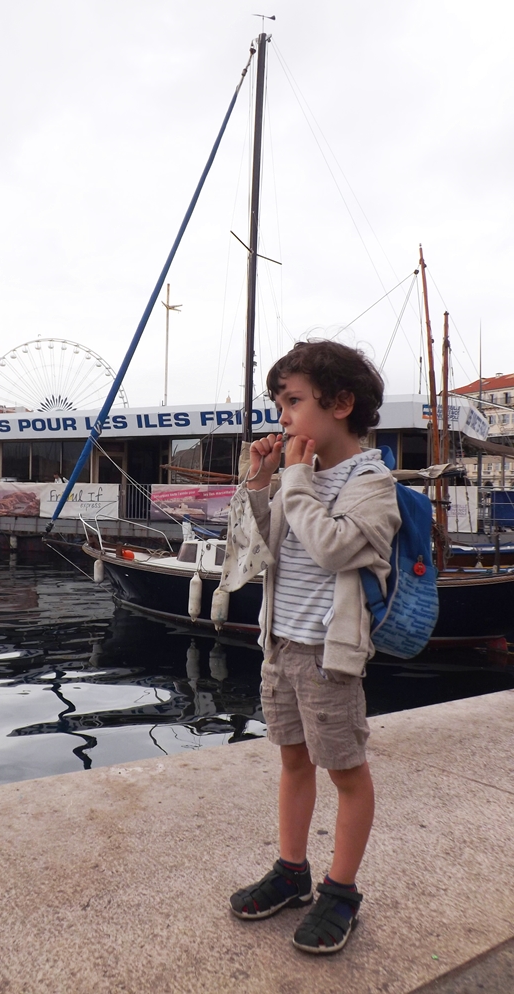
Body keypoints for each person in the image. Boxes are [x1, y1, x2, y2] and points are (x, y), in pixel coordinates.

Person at [221, 339, 400, 954]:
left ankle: (341, 890)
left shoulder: (371, 482)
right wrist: (260, 482)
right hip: (281, 644)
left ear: (342, 403)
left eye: (294, 402)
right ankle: (292, 870)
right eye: (278, 405)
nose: (283, 418)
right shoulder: (302, 477)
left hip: (330, 654)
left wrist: (294, 478)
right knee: (293, 760)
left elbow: (329, 547)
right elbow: (255, 550)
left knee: (346, 770)